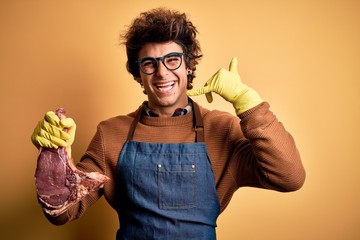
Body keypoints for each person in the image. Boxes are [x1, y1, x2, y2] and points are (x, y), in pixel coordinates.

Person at [31, 7, 305, 240]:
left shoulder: (220, 129)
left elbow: (290, 177)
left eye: (172, 60)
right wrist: (53, 157)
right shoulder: (111, 134)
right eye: (149, 64)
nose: (162, 72)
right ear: (138, 74)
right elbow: (63, 213)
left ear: (189, 66)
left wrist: (248, 102)